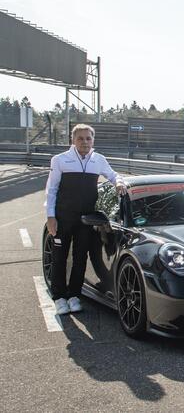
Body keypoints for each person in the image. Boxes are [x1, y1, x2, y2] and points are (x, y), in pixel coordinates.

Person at [45, 124, 126, 315]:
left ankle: (74, 296)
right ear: (73, 140)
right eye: (80, 138)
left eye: (88, 138)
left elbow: (113, 175)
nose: (85, 142)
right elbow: (51, 189)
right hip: (63, 218)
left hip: (86, 220)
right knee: (59, 258)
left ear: (93, 140)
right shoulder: (60, 160)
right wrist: (50, 217)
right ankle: (59, 297)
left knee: (81, 258)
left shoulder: (99, 160)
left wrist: (120, 182)